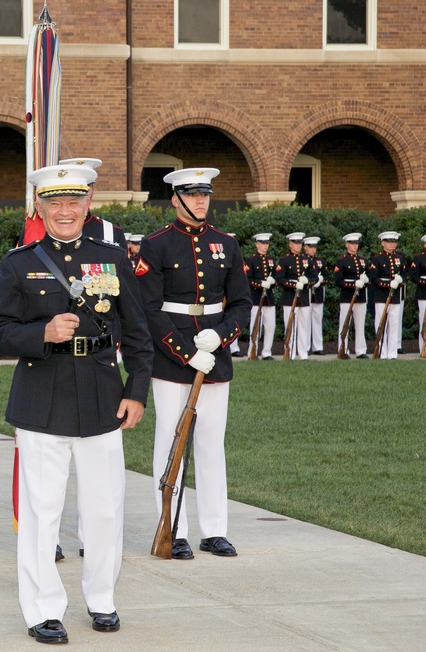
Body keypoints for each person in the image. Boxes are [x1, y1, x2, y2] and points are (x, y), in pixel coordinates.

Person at [0, 164, 152, 644]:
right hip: (41, 396)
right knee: (42, 511)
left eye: (72, 202)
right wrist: (41, 332)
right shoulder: (19, 263)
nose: (64, 211)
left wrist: (136, 390)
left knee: (104, 509)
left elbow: (138, 333)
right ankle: (43, 609)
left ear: (87, 205)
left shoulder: (112, 257)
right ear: (39, 208)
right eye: (53, 203)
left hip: (103, 394)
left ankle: (102, 599)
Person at [134, 167, 252, 560]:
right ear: (175, 199)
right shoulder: (157, 245)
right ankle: (175, 529)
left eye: (205, 194)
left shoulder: (226, 244)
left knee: (210, 443)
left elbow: (240, 304)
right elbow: (149, 309)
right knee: (171, 440)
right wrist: (186, 352)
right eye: (192, 194)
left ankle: (214, 529)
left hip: (215, 355)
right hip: (173, 359)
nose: (201, 201)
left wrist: (220, 337)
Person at [58, 158, 127, 247]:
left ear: (92, 191)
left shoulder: (111, 233)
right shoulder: (48, 229)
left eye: (87, 186)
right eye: (76, 188)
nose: (82, 193)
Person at [367, 231, 407, 359]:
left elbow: (405, 274)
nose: (392, 245)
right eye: (389, 242)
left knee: (394, 324)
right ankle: (382, 352)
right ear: (383, 243)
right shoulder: (377, 258)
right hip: (381, 295)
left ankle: (392, 353)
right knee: (381, 323)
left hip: (395, 296)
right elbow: (374, 278)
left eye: (394, 242)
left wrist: (400, 281)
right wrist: (388, 284)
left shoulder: (400, 257)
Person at [275, 232, 315, 360]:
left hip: (304, 297)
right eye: (295, 243)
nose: (298, 246)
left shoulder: (307, 259)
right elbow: (280, 279)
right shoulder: (284, 260)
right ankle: (290, 353)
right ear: (290, 244)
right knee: (290, 325)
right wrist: (293, 285)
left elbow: (314, 277)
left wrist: (306, 282)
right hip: (289, 298)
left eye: (300, 243)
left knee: (304, 326)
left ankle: (303, 354)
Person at [332, 232, 370, 359]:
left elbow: (370, 278)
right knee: (345, 324)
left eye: (356, 243)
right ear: (347, 245)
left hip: (360, 297)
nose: (355, 246)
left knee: (360, 324)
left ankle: (361, 350)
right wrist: (353, 284)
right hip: (347, 297)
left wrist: (364, 281)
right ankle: (343, 349)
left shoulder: (363, 261)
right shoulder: (342, 261)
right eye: (352, 244)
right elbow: (338, 281)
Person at [243, 232, 277, 360]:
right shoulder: (251, 260)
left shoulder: (271, 260)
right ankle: (253, 350)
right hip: (256, 297)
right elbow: (247, 279)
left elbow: (276, 276)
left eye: (267, 243)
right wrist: (260, 283)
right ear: (257, 244)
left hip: (269, 298)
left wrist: (272, 281)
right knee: (255, 324)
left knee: (270, 326)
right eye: (262, 243)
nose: (265, 246)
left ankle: (267, 352)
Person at [304, 237, 328, 355]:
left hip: (318, 294)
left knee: (317, 321)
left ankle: (318, 347)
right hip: (307, 293)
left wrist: (321, 281)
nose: (313, 249)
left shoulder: (320, 261)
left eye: (314, 247)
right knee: (306, 321)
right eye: (310, 247)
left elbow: (327, 277)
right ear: (305, 248)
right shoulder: (303, 260)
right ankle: (306, 346)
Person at [410, 233, 426, 352]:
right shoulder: (419, 258)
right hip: (424, 293)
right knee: (424, 319)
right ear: (425, 245)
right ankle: (424, 346)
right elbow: (414, 276)